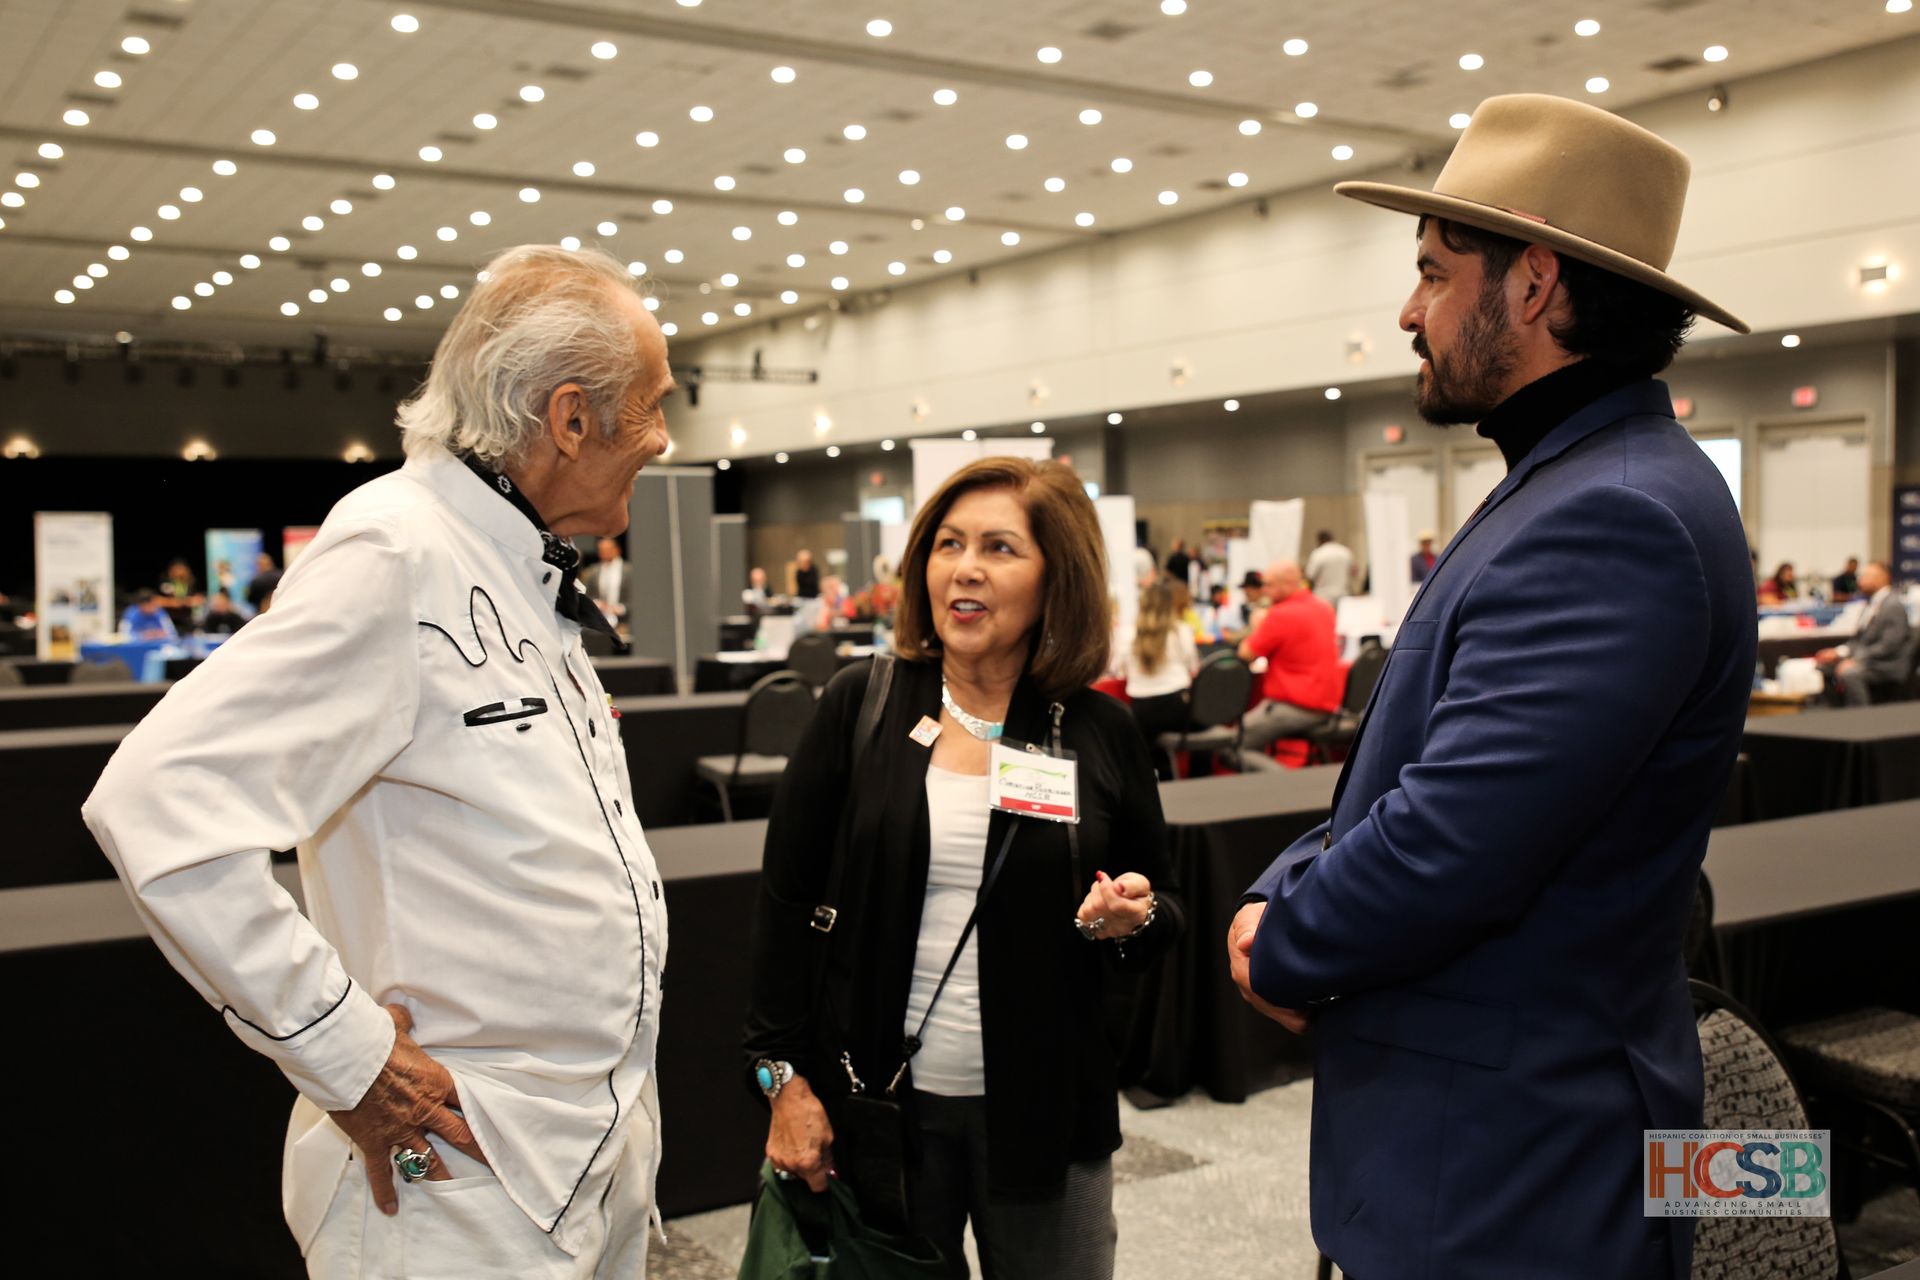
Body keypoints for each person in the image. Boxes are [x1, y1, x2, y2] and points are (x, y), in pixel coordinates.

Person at [1228, 94, 1755, 1279]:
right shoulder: (1577, 482)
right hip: (1500, 1156)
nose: (1409, 311)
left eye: (1432, 272)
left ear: (1532, 283)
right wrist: (1280, 888)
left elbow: (1451, 839)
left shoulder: (1612, 513)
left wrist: (1281, 940)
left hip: (1515, 1176)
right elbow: (1415, 774)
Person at [84, 244, 674, 1277]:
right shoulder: (398, 551)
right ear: (571, 418)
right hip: (456, 1181)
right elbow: (158, 799)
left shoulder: (518, 563)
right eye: (656, 406)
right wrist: (348, 1055)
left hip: (577, 1154)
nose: (664, 440)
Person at [745, 456, 1181, 1280]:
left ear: (1059, 578)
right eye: (948, 543)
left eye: (1000, 548)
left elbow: (1166, 905)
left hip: (1048, 1120)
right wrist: (781, 1083)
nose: (966, 566)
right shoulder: (861, 704)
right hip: (882, 1118)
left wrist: (1135, 914)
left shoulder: (1094, 730)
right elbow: (783, 908)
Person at [1234, 561, 1342, 766]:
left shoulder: (1280, 615)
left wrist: (1257, 625)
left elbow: (1246, 653)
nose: (1263, 590)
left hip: (1294, 706)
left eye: (1268, 584)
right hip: (1327, 703)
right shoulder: (1324, 607)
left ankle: (1282, 786)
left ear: (1285, 584)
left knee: (1234, 743)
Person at [1122, 577, 1202, 780]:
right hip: (1178, 707)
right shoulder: (1182, 631)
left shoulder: (1126, 634)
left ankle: (1162, 780)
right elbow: (1193, 667)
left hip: (1142, 711)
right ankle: (1201, 776)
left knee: (1148, 750)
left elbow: (1118, 669)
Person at [1817, 560, 1911, 704]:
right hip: (1869, 659)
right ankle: (1836, 716)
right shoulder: (1871, 604)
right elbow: (1859, 640)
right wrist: (1839, 652)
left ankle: (1861, 717)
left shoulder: (1893, 606)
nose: (1860, 580)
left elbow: (1889, 645)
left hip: (1886, 664)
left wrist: (1856, 660)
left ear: (1881, 578)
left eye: (1866, 576)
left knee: (1850, 673)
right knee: (1824, 668)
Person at [580, 535, 627, 624]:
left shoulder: (629, 571)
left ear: (617, 550)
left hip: (625, 620)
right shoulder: (592, 571)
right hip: (600, 618)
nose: (605, 553)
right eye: (602, 550)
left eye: (608, 550)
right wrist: (597, 603)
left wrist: (621, 608)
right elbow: (586, 593)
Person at [1303, 530, 1353, 602]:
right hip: (1343, 595)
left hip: (1323, 596)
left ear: (1320, 540)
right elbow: (1354, 572)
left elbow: (1310, 575)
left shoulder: (1318, 553)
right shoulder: (1345, 551)